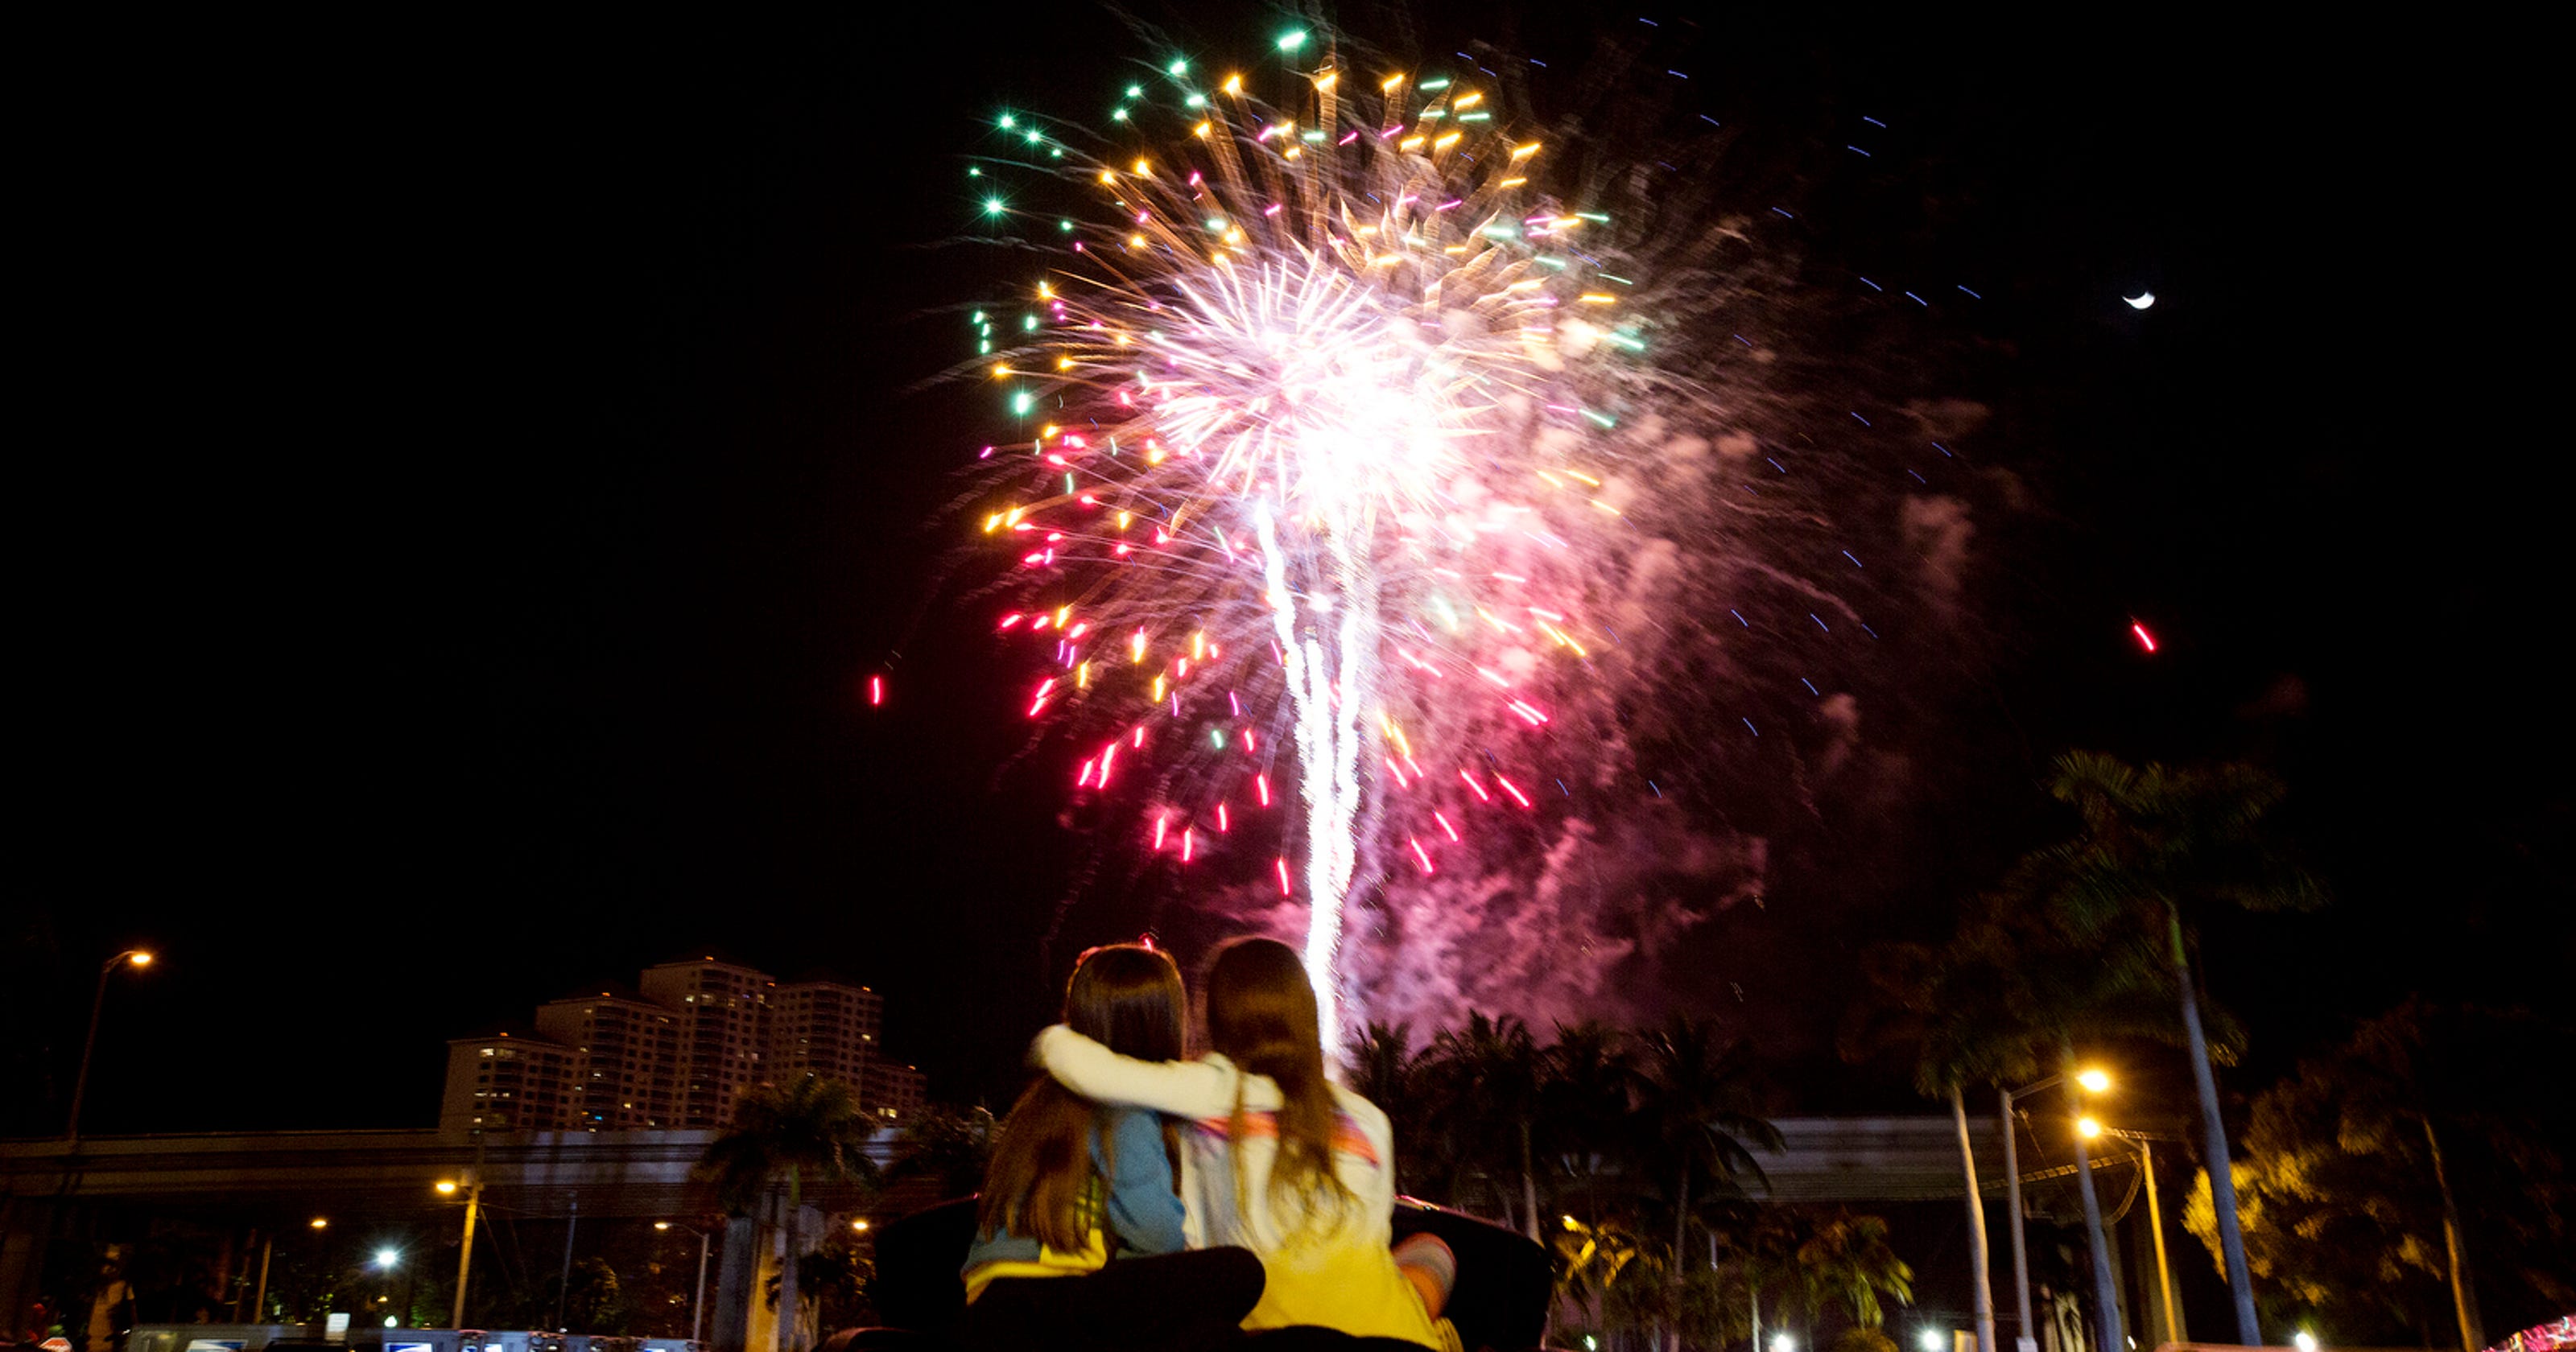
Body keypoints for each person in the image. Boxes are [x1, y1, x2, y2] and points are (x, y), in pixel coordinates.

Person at [1035, 937, 1461, 1350]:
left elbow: (1084, 1068)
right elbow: (1375, 1232)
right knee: (1432, 1250)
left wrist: (1057, 1033)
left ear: (1217, 1018)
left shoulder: (1213, 1089)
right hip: (1390, 1335)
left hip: (1261, 1326)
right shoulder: (1368, 1119)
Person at [961, 942, 1264, 1352]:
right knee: (1240, 1271)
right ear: (1162, 1023)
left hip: (990, 1305)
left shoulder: (1038, 1106)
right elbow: (1155, 1239)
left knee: (1208, 1335)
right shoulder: (1127, 1112)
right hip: (1049, 1304)